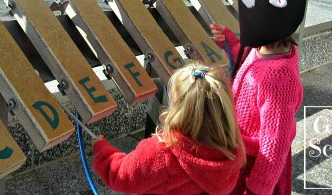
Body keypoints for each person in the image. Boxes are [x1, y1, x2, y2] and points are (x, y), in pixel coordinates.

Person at [210, 0, 308, 195]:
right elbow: (248, 63)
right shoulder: (265, 48)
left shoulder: (279, 77)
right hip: (240, 153)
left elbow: (275, 142)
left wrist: (258, 188)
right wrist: (232, 43)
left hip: (256, 166)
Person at [92, 62, 245, 195]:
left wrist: (101, 150)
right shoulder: (231, 148)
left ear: (178, 108)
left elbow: (121, 177)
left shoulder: (163, 152)